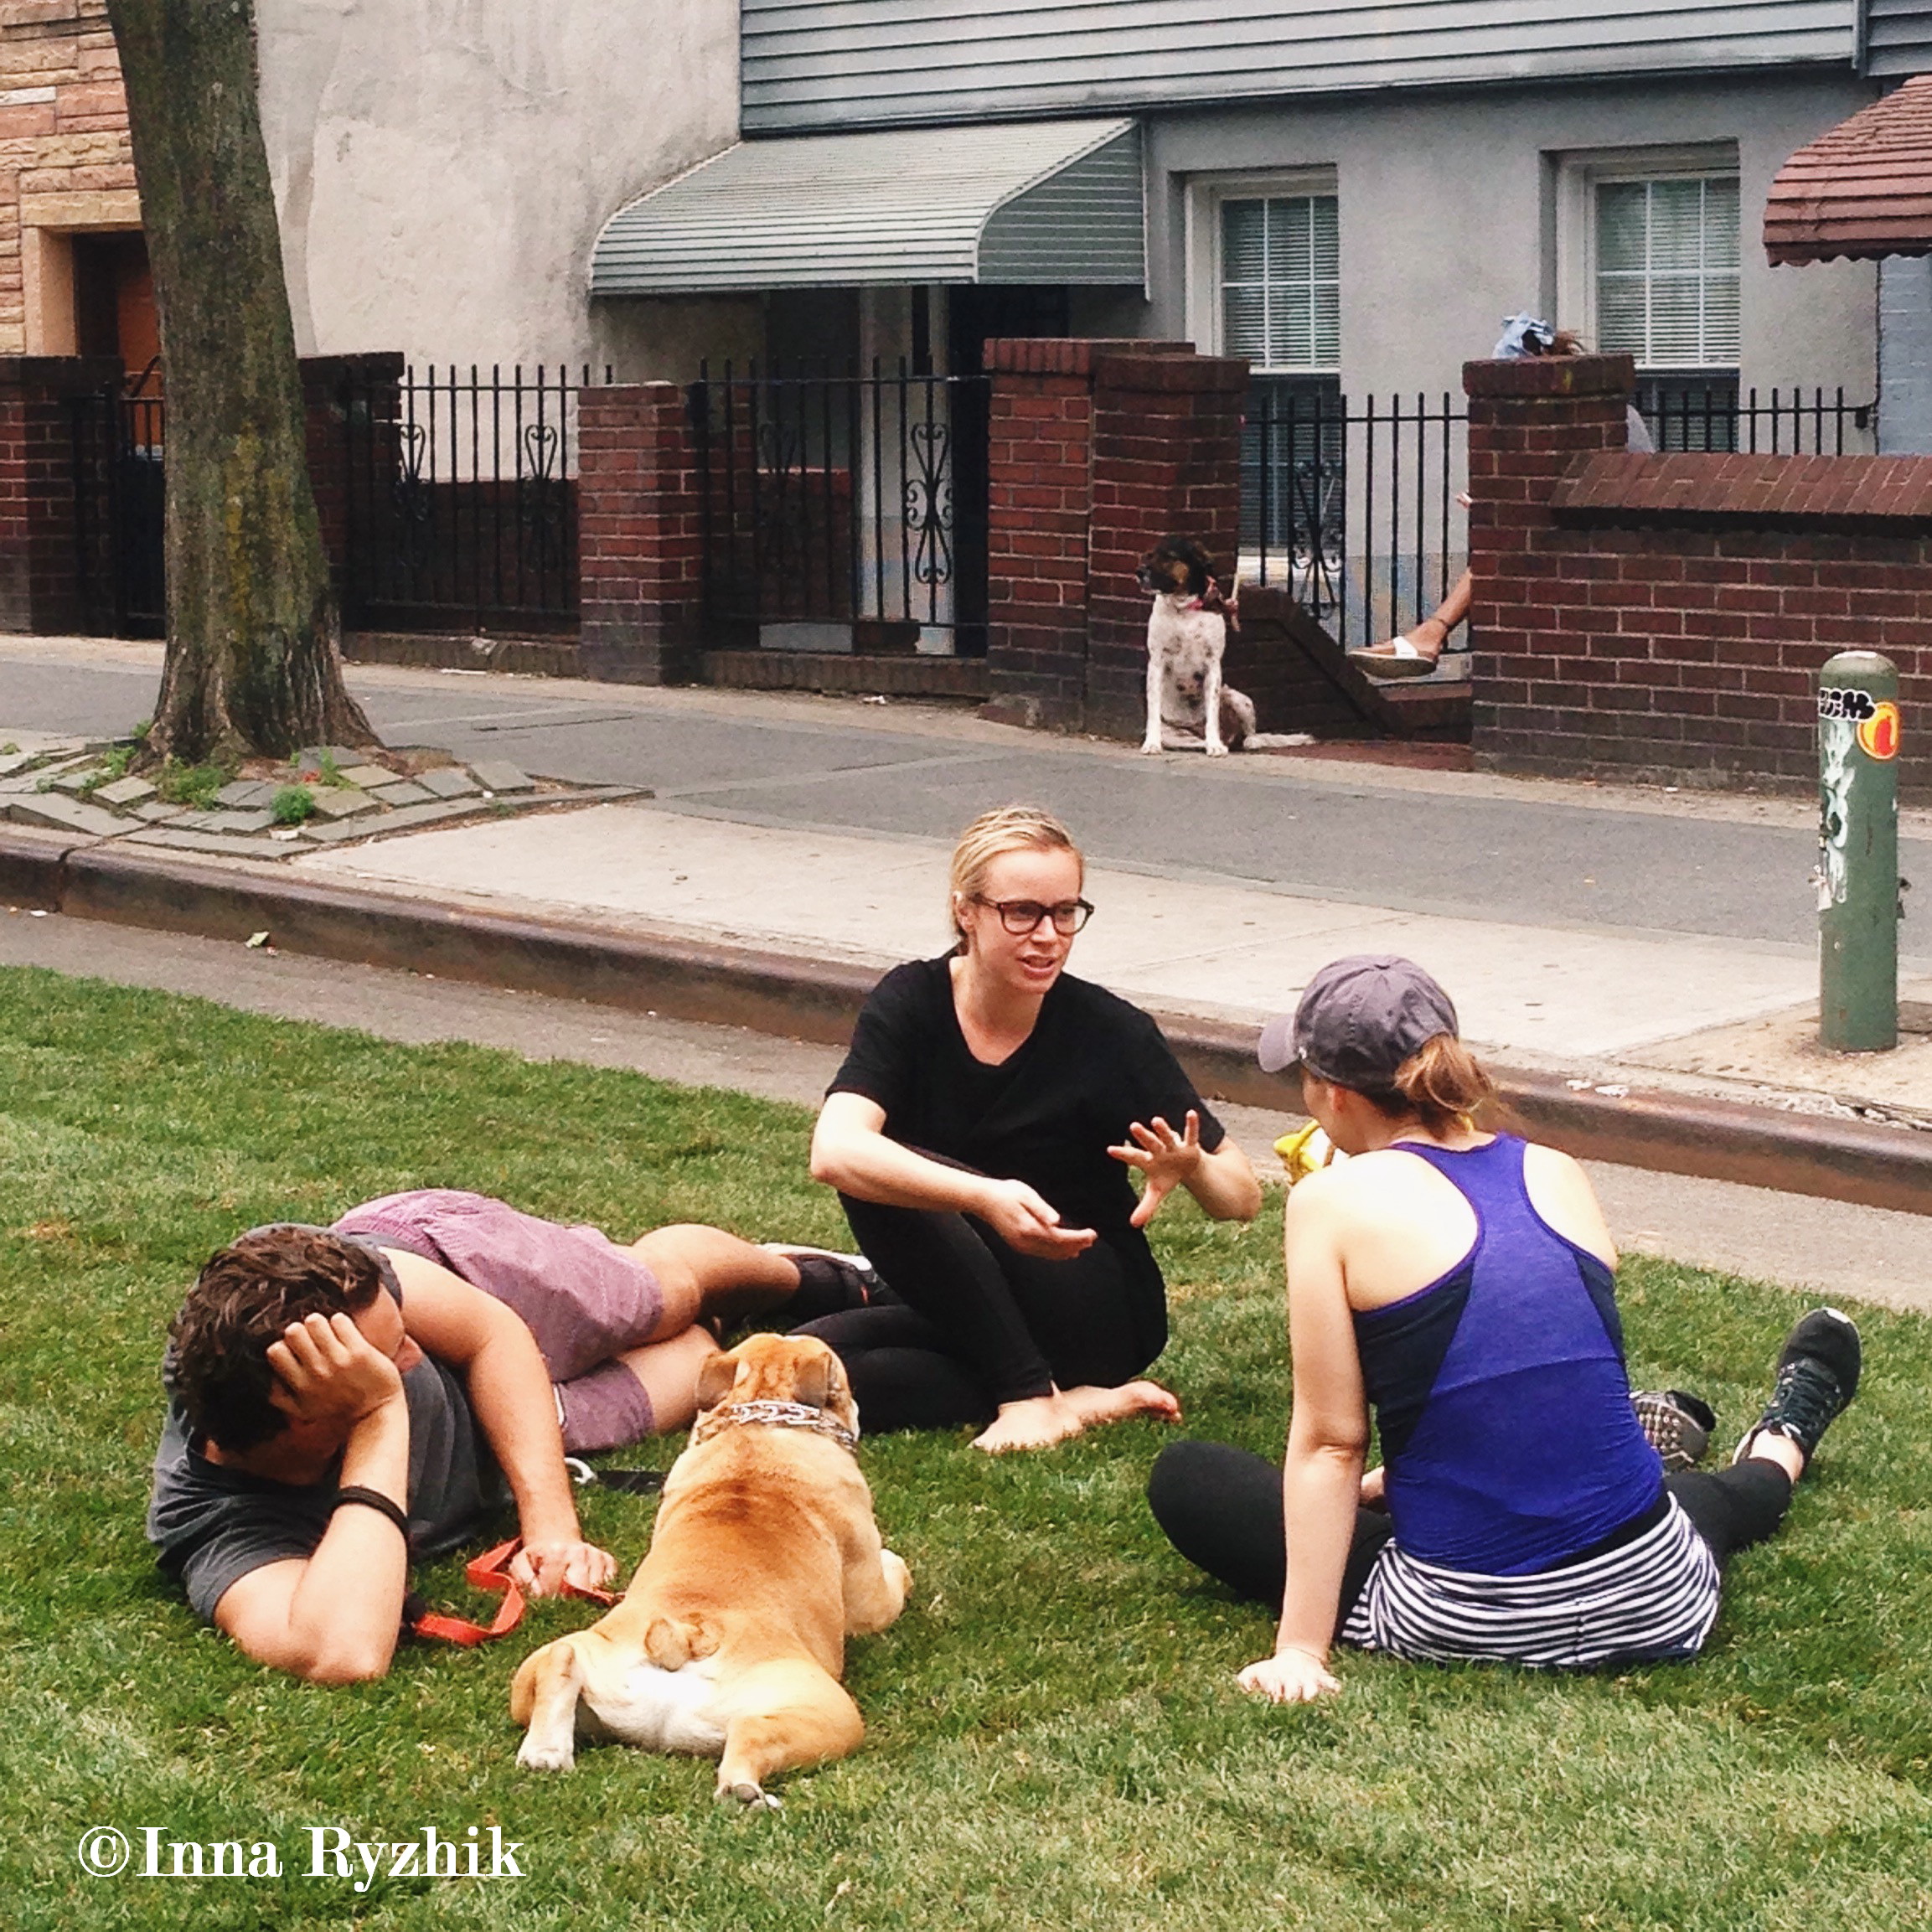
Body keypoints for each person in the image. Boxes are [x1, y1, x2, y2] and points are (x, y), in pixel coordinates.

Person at [1147, 955, 1862, 1698]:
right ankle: (1782, 1438)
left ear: (1328, 1093)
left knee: (1190, 1479)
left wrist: (1299, 1650)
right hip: (1659, 1597)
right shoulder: (1555, 1170)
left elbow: (1331, 1441)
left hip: (1465, 1614)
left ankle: (1690, 1443)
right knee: (1704, 1503)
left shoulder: (1329, 1201)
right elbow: (1535, 1357)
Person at [147, 1189, 874, 1682]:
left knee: (656, 1296)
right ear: (305, 1415)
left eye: (403, 1345)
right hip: (520, 1433)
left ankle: (821, 1278)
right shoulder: (213, 1520)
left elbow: (491, 1334)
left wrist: (551, 1525)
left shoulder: (319, 1291)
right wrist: (383, 1414)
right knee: (692, 1368)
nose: (411, 1359)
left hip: (475, 1279)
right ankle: (740, 1313)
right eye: (387, 1363)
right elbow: (345, 1652)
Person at [798, 804, 1263, 1454]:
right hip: (978, 1304)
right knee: (801, 1375)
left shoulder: (1110, 1033)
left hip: (1093, 1304)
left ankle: (1027, 1396)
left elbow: (1242, 1198)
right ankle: (1069, 1399)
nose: (1047, 935)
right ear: (967, 911)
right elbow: (835, 1148)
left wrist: (1193, 1168)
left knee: (885, 1169)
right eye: (1022, 913)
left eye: (1065, 912)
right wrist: (987, 1197)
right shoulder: (913, 1001)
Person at [1351, 315, 1655, 677]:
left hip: (1611, 536)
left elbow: (1613, 484)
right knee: (1501, 539)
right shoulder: (1546, 425)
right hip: (1562, 535)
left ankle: (1433, 632)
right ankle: (1431, 634)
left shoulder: (1615, 418)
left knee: (1501, 541)